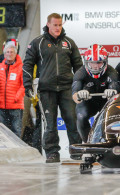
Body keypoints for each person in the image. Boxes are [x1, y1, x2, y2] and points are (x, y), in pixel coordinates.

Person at [23, 13, 82, 163]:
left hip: (67, 88)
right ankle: (52, 152)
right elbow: (28, 64)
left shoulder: (69, 43)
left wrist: (80, 85)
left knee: (72, 120)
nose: (58, 28)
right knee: (50, 123)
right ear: (48, 24)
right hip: (46, 89)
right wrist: (27, 84)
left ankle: (76, 150)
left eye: (60, 25)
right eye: (55, 25)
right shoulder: (38, 42)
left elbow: (79, 67)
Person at [72, 44, 120, 143]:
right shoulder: (80, 73)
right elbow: (75, 96)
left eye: (99, 63)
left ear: (105, 62)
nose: (95, 66)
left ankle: (111, 142)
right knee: (81, 116)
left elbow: (117, 92)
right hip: (89, 102)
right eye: (92, 63)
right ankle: (87, 143)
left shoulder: (112, 72)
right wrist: (80, 94)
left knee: (114, 116)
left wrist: (112, 92)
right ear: (86, 62)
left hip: (105, 102)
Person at [0, 44, 25, 137]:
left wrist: (17, 97)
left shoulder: (22, 67)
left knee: (16, 131)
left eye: (11, 52)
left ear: (15, 54)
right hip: (1, 106)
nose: (9, 54)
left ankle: (17, 151)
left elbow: (24, 85)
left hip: (16, 105)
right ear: (4, 54)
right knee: (2, 131)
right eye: (7, 52)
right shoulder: (0, 67)